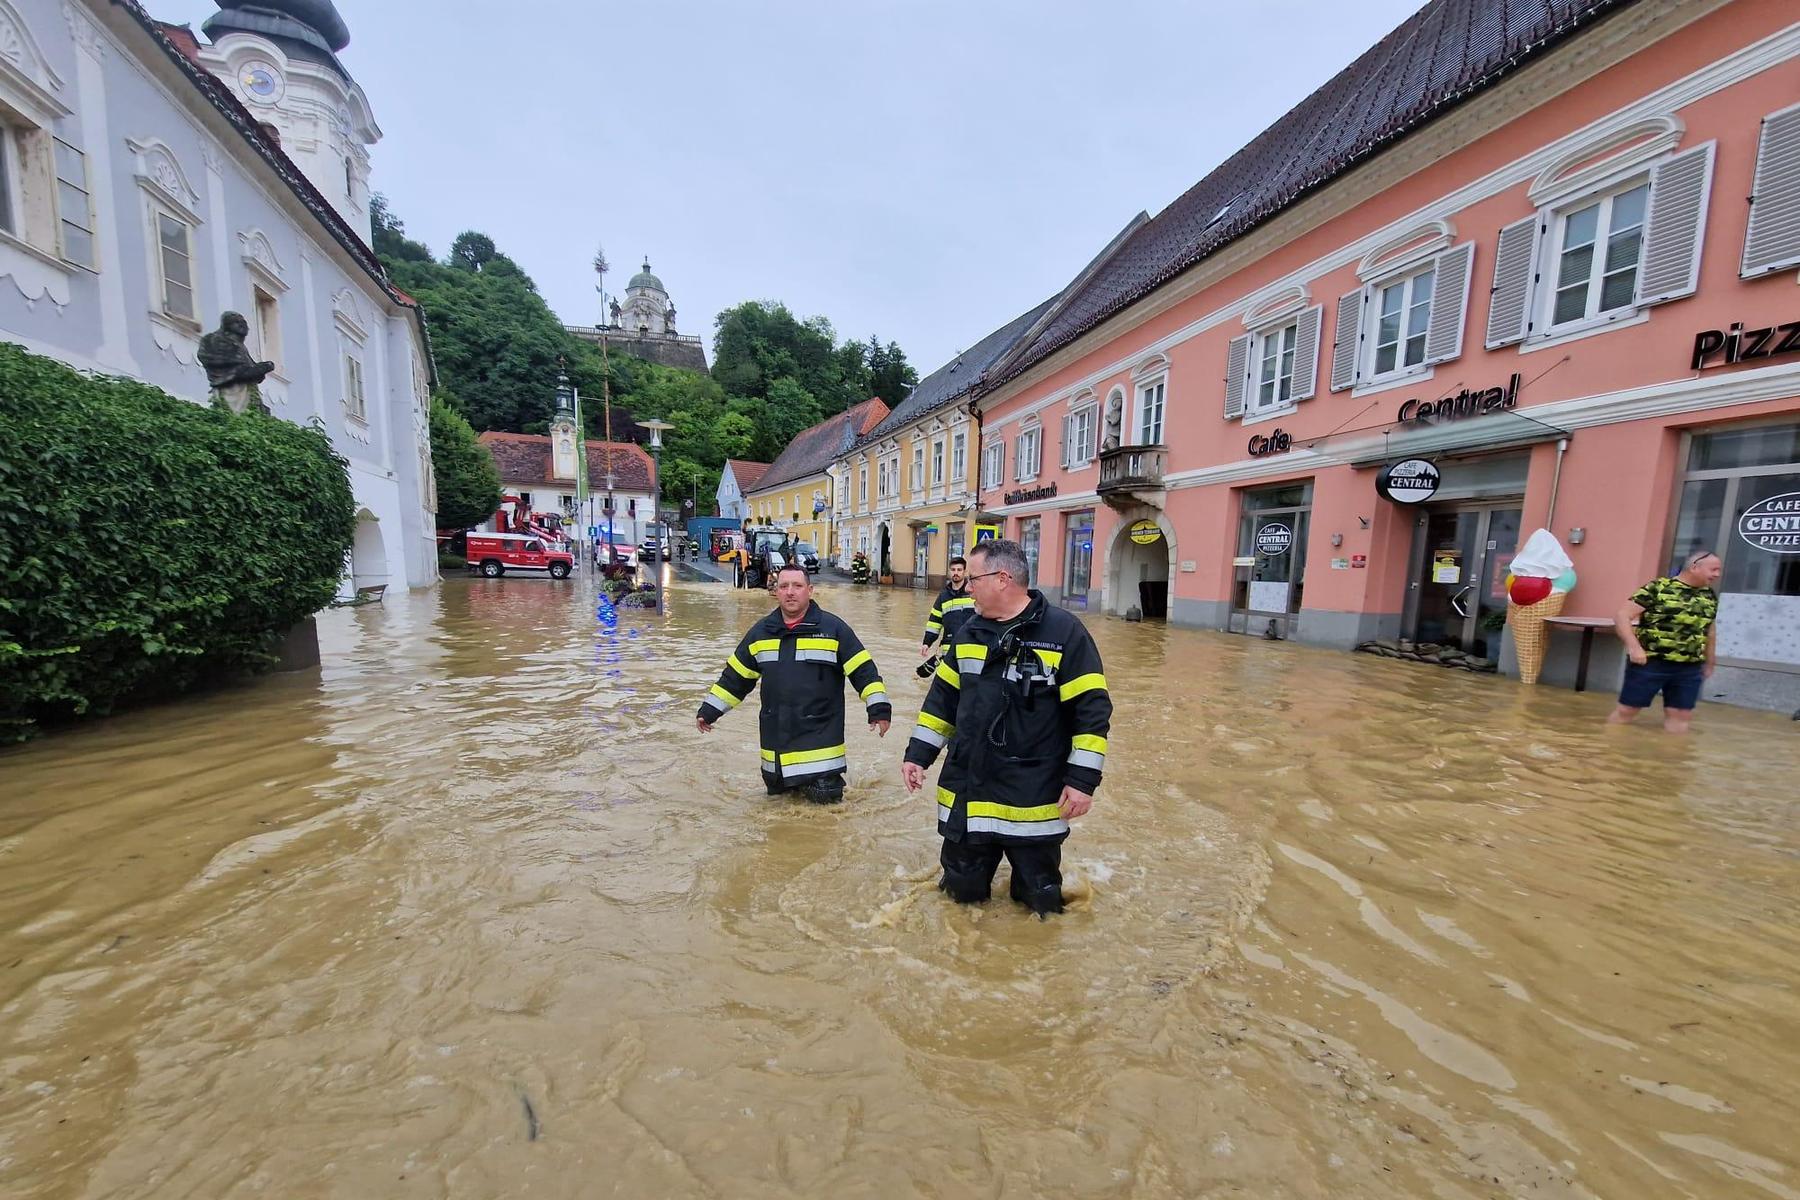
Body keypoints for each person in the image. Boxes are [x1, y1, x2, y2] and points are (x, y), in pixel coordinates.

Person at [901, 539, 1112, 915]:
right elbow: (942, 703)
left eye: (973, 579)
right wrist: (918, 756)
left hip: (1034, 798)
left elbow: (1092, 712)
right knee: (960, 902)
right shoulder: (968, 632)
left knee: (1040, 904)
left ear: (1002, 579)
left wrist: (1081, 782)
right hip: (969, 792)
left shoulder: (1065, 633)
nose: (966, 587)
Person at [698, 563, 891, 803]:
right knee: (777, 831)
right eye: (784, 586)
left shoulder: (833, 630)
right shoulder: (760, 633)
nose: (790, 592)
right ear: (775, 591)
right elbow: (735, 678)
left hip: (821, 766)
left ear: (810, 590)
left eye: (797, 586)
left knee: (827, 829)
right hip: (776, 763)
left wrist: (879, 709)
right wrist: (709, 712)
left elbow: (865, 673)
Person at [1609, 550, 1722, 734]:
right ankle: (1610, 752)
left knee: (1681, 715)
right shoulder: (1658, 587)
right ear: (1695, 567)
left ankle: (1673, 757)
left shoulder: (1709, 595)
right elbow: (1622, 615)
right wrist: (1634, 646)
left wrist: (1710, 661)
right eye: (1714, 569)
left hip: (1689, 667)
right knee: (1627, 710)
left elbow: (1710, 630)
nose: (1717, 574)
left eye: (1719, 570)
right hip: (1651, 662)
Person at [918, 556, 974, 674]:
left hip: (970, 650)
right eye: (953, 570)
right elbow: (934, 622)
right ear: (949, 571)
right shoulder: (943, 596)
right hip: (948, 651)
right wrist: (926, 643)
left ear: (965, 572)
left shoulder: (973, 593)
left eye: (959, 570)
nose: (956, 573)